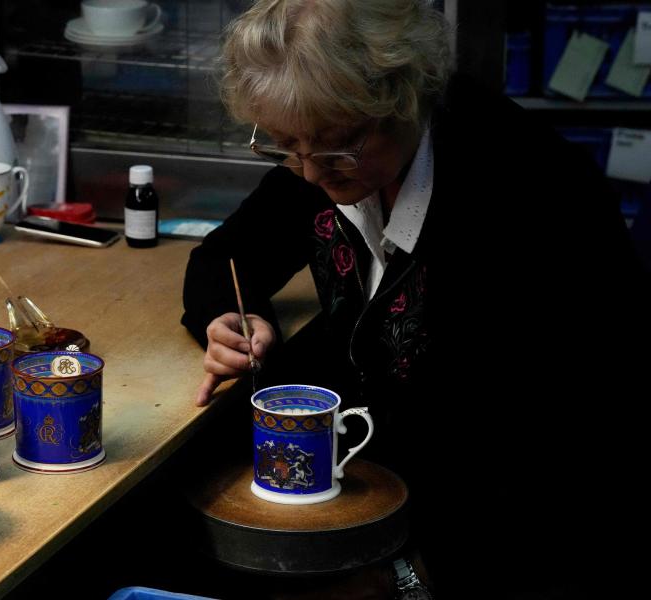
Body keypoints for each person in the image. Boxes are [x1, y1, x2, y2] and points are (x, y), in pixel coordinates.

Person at [181, 1, 649, 598]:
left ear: (402, 95)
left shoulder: (537, 200)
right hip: (371, 491)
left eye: (333, 146)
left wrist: (408, 580)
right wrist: (235, 319)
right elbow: (222, 258)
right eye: (282, 146)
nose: (308, 174)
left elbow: (574, 451)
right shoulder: (326, 154)